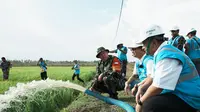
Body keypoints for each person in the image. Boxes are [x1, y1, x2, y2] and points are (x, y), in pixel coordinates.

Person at [134, 25, 200, 112]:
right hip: (180, 93)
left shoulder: (167, 55)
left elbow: (158, 87)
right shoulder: (161, 53)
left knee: (150, 105)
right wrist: (142, 87)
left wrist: (140, 103)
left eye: (144, 44)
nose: (143, 48)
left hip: (189, 99)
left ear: (153, 43)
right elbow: (153, 76)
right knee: (147, 96)